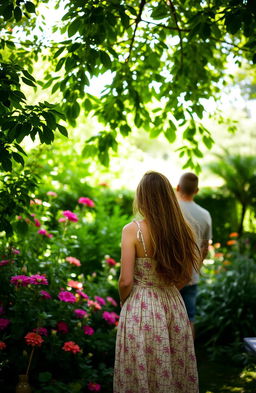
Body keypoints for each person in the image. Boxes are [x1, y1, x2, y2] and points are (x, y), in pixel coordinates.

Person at [114, 171, 200, 393]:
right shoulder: (183, 230)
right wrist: (167, 291)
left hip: (140, 308)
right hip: (173, 305)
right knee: (173, 369)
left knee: (141, 369)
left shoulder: (132, 230)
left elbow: (125, 281)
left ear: (142, 197)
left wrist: (125, 302)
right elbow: (186, 275)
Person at [177, 172, 212, 339]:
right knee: (189, 317)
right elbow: (205, 247)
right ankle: (189, 355)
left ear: (177, 188)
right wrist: (196, 266)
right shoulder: (205, 215)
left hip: (169, 273)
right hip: (191, 274)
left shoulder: (172, 210)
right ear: (197, 190)